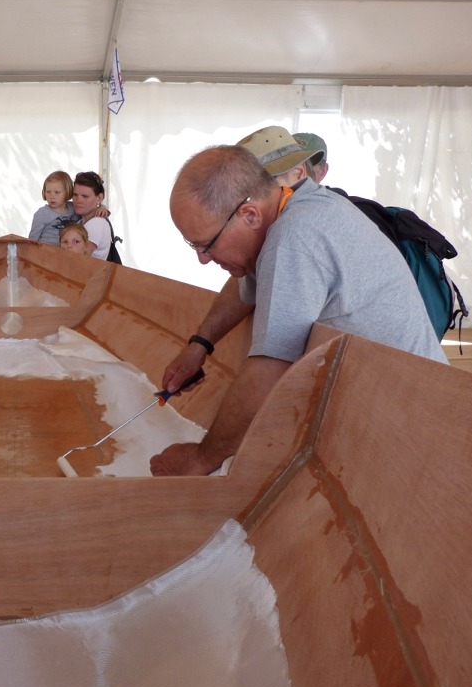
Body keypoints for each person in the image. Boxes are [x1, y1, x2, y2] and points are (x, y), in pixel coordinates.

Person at [150, 145, 446, 477]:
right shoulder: (295, 202)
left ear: (249, 215)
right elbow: (245, 286)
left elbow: (269, 373)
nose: (202, 258)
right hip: (397, 400)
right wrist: (199, 344)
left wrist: (200, 459)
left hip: (414, 426)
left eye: (205, 244)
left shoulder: (295, 236)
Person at [72, 171, 121, 261]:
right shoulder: (83, 220)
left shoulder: (97, 223)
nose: (78, 200)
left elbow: (77, 258)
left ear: (99, 198)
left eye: (85, 196)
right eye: (75, 195)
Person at [29, 171, 76, 245]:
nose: (52, 196)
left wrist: (100, 208)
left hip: (68, 253)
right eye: (48, 192)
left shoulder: (74, 208)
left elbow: (90, 211)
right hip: (46, 253)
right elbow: (32, 240)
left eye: (57, 192)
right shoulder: (42, 213)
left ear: (67, 191)